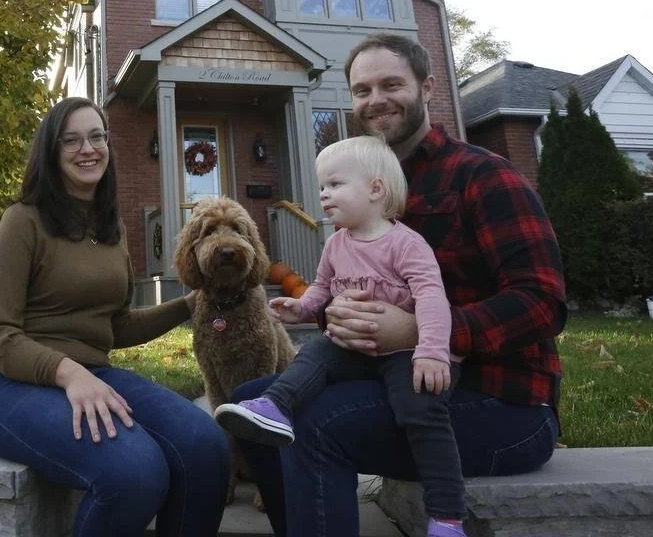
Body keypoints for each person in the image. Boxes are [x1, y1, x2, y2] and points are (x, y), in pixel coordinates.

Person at [231, 32, 567, 537]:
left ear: (428, 87)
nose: (376, 100)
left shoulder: (484, 177)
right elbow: (355, 283)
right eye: (362, 90)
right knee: (256, 403)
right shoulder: (354, 188)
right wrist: (332, 313)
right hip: (393, 374)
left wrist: (421, 331)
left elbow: (542, 303)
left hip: (502, 402)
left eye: (391, 84)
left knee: (316, 423)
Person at [0, 97, 229, 537]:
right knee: (135, 472)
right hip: (5, 383)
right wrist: (69, 373)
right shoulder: (23, 221)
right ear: (52, 152)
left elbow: (116, 326)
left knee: (205, 447)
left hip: (90, 372)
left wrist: (188, 305)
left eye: (96, 136)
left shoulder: (110, 227)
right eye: (71, 140)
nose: (87, 148)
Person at [214, 135, 466, 536]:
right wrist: (302, 307)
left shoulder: (405, 244)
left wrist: (432, 351)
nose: (323, 195)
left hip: (405, 353)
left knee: (423, 413)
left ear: (375, 189)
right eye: (322, 187)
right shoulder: (335, 244)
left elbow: (432, 297)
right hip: (355, 348)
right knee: (315, 355)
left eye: (335, 185)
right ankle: (275, 407)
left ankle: (447, 517)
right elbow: (320, 288)